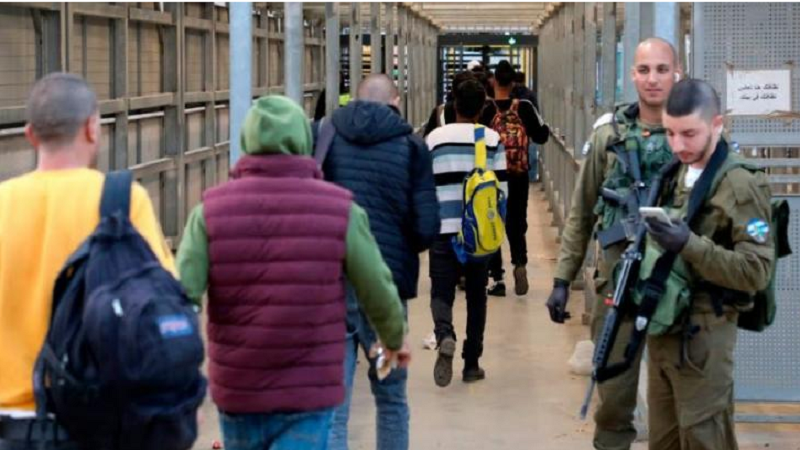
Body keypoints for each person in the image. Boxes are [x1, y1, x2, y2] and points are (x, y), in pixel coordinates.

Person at [176, 95, 410, 450]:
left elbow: (182, 297)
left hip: (239, 389)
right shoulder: (340, 209)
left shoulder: (209, 212)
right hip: (309, 391)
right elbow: (376, 285)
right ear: (304, 139)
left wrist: (180, 378)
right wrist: (393, 337)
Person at [0, 73, 175, 448]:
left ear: (30, 135)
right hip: (95, 421)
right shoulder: (123, 200)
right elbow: (164, 298)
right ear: (92, 128)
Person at [545, 38, 682, 450]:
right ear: (632, 75)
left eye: (662, 69)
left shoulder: (691, 132)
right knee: (614, 400)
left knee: (675, 402)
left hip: (678, 284)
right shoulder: (610, 135)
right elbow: (583, 210)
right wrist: (563, 278)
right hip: (618, 281)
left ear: (677, 73)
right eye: (645, 70)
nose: (653, 79)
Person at [642, 79, 773, 450]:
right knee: (663, 440)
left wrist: (689, 244)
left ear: (717, 124)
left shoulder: (740, 184)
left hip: (705, 337)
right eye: (670, 133)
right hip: (665, 327)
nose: (678, 145)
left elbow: (756, 271)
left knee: (705, 438)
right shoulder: (674, 173)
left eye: (689, 134)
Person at [321, 74, 440, 450]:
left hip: (333, 284)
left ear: (355, 99)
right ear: (396, 101)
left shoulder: (326, 135)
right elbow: (426, 228)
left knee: (334, 403)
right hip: (386, 289)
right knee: (391, 400)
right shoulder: (412, 147)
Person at [426, 79, 507, 386]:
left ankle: (444, 334)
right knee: (476, 296)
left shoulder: (434, 139)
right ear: (482, 107)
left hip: (442, 228)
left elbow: (423, 185)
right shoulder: (491, 139)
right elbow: (502, 192)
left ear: (454, 104)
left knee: (441, 291)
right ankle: (472, 363)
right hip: (478, 234)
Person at [485, 60, 550, 297]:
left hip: (491, 176)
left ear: (494, 81)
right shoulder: (524, 107)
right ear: (513, 83)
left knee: (492, 221)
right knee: (516, 222)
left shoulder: (486, 109)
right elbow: (542, 136)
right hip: (518, 175)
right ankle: (519, 263)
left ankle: (497, 278)